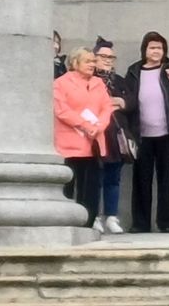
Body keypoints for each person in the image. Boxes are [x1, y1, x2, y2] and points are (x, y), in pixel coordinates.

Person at [125, 31, 169, 233]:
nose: (156, 51)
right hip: (142, 135)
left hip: (166, 133)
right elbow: (129, 100)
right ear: (145, 50)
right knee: (141, 181)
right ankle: (140, 223)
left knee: (166, 180)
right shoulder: (134, 71)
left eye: (160, 48)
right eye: (152, 47)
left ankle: (166, 223)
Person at [53, 47, 114, 228]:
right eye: (87, 61)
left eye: (93, 61)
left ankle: (89, 221)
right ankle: (66, 222)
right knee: (69, 185)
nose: (92, 65)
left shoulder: (98, 83)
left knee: (91, 187)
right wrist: (85, 125)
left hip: (94, 141)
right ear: (75, 63)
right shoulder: (61, 83)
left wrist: (99, 126)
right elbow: (61, 110)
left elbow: (106, 107)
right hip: (70, 143)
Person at [93, 37, 136, 235]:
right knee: (96, 178)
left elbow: (133, 102)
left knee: (114, 178)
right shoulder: (90, 79)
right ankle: (94, 216)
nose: (108, 60)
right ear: (94, 57)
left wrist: (122, 102)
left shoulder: (119, 80)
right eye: (103, 56)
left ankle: (111, 216)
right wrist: (110, 102)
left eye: (111, 57)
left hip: (117, 135)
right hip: (96, 135)